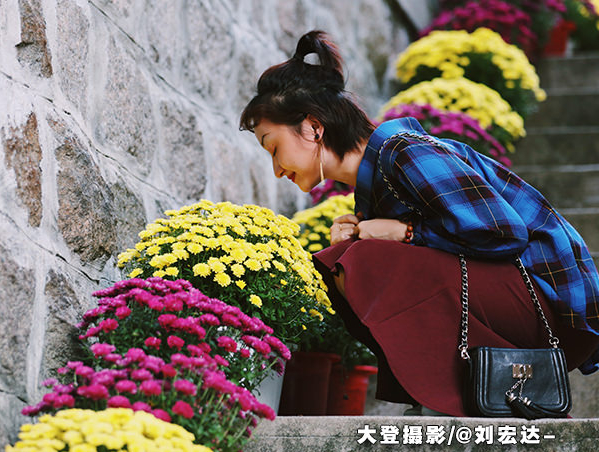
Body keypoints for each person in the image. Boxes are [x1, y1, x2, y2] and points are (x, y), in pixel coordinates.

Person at [239, 30, 599, 416]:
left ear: (313, 127)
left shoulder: (403, 151)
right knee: (343, 259)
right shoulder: (375, 184)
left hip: (551, 305)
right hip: (517, 301)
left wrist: (404, 233)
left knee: (361, 260)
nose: (277, 169)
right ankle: (467, 389)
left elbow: (504, 233)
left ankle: (453, 393)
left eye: (273, 147)